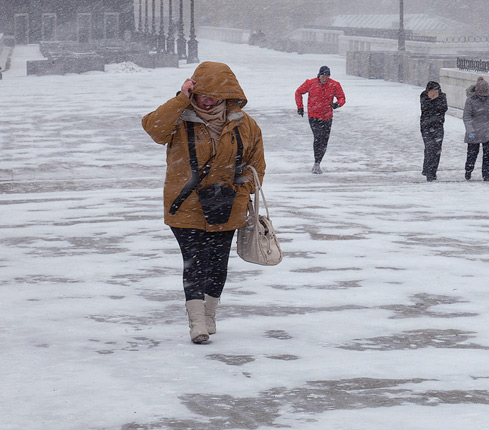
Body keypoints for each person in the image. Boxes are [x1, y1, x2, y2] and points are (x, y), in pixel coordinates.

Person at [142, 61, 266, 345]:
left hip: (228, 205)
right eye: (203, 94)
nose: (208, 101)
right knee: (194, 262)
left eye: (215, 95)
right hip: (185, 205)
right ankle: (196, 321)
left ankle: (209, 314)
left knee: (218, 263)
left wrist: (239, 189)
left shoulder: (245, 124)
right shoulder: (178, 118)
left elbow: (256, 165)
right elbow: (154, 129)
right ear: (193, 92)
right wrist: (180, 99)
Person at [294, 65, 345, 173]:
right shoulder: (310, 83)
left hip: (327, 116)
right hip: (314, 116)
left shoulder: (334, 85)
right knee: (318, 137)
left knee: (324, 140)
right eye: (323, 75)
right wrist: (300, 107)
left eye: (327, 75)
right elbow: (298, 92)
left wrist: (337, 104)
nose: (324, 77)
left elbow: (342, 98)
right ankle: (316, 163)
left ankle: (317, 162)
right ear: (319, 75)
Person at [463, 76, 489, 182]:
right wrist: (470, 130)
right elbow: (467, 117)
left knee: (488, 155)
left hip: (488, 132)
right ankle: (468, 170)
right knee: (472, 154)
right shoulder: (470, 100)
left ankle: (487, 175)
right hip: (474, 132)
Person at [419, 80, 447, 181]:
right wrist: (432, 100)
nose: (435, 92)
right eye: (432, 90)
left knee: (437, 149)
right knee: (429, 147)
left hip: (438, 126)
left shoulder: (442, 97)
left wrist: (436, 99)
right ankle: (427, 170)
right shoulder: (423, 96)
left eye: (436, 90)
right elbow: (425, 108)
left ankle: (433, 171)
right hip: (426, 126)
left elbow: (443, 108)